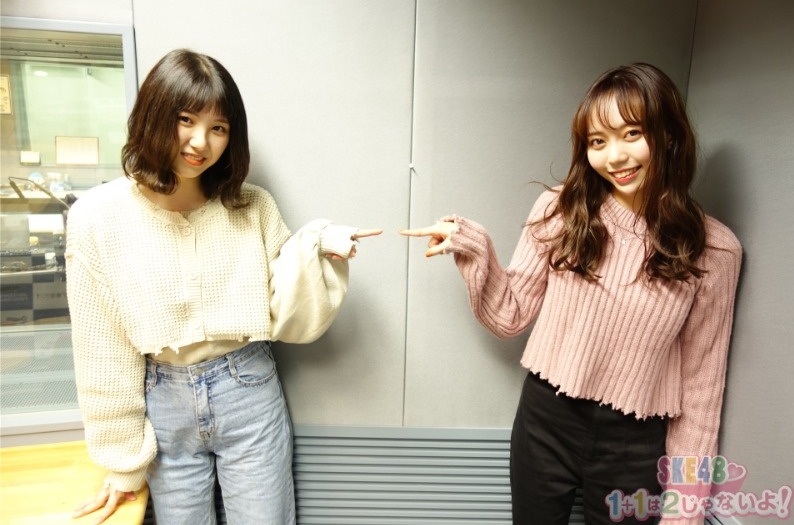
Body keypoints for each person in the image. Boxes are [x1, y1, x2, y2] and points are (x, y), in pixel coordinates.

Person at [402, 63, 741, 525]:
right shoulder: (560, 210)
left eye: (632, 134)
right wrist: (474, 247)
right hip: (546, 420)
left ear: (668, 134)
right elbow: (509, 315)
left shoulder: (715, 250)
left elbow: (702, 392)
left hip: (637, 443)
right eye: (597, 141)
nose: (614, 157)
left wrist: (686, 511)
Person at [66, 49, 381, 525]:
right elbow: (101, 348)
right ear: (153, 114)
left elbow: (286, 306)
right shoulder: (97, 217)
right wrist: (123, 462)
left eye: (219, 127)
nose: (201, 142)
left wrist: (317, 246)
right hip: (163, 400)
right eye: (185, 120)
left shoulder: (251, 205)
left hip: (247, 387)